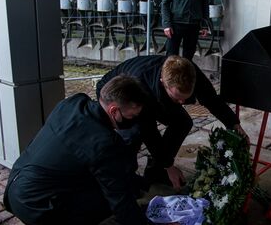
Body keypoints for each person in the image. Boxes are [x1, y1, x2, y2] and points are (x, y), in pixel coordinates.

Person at [4, 75, 183, 225]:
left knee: (122, 183)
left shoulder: (74, 103)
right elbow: (118, 198)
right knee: (111, 198)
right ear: (114, 111)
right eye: (132, 116)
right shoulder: (103, 143)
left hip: (16, 188)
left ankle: (48, 224)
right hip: (35, 203)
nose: (134, 121)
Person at [96, 55, 249, 191]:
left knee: (182, 122)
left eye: (185, 97)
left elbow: (212, 99)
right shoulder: (142, 84)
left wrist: (234, 125)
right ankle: (124, 182)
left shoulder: (189, 73)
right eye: (177, 98)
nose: (182, 102)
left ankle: (156, 171)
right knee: (133, 135)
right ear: (164, 82)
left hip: (155, 96)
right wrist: (169, 165)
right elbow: (149, 131)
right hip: (116, 96)